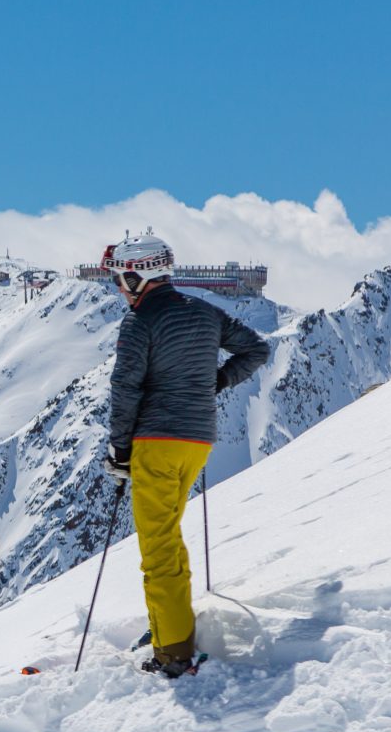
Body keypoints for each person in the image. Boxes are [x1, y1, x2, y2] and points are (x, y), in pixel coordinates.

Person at [103, 233, 270, 677]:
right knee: (170, 538)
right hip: (197, 442)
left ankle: (173, 653)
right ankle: (169, 626)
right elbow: (257, 349)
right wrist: (213, 382)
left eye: (121, 278)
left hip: (154, 442)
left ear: (139, 275)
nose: (120, 287)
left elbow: (126, 388)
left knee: (158, 550)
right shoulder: (206, 313)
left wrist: (120, 449)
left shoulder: (138, 323)